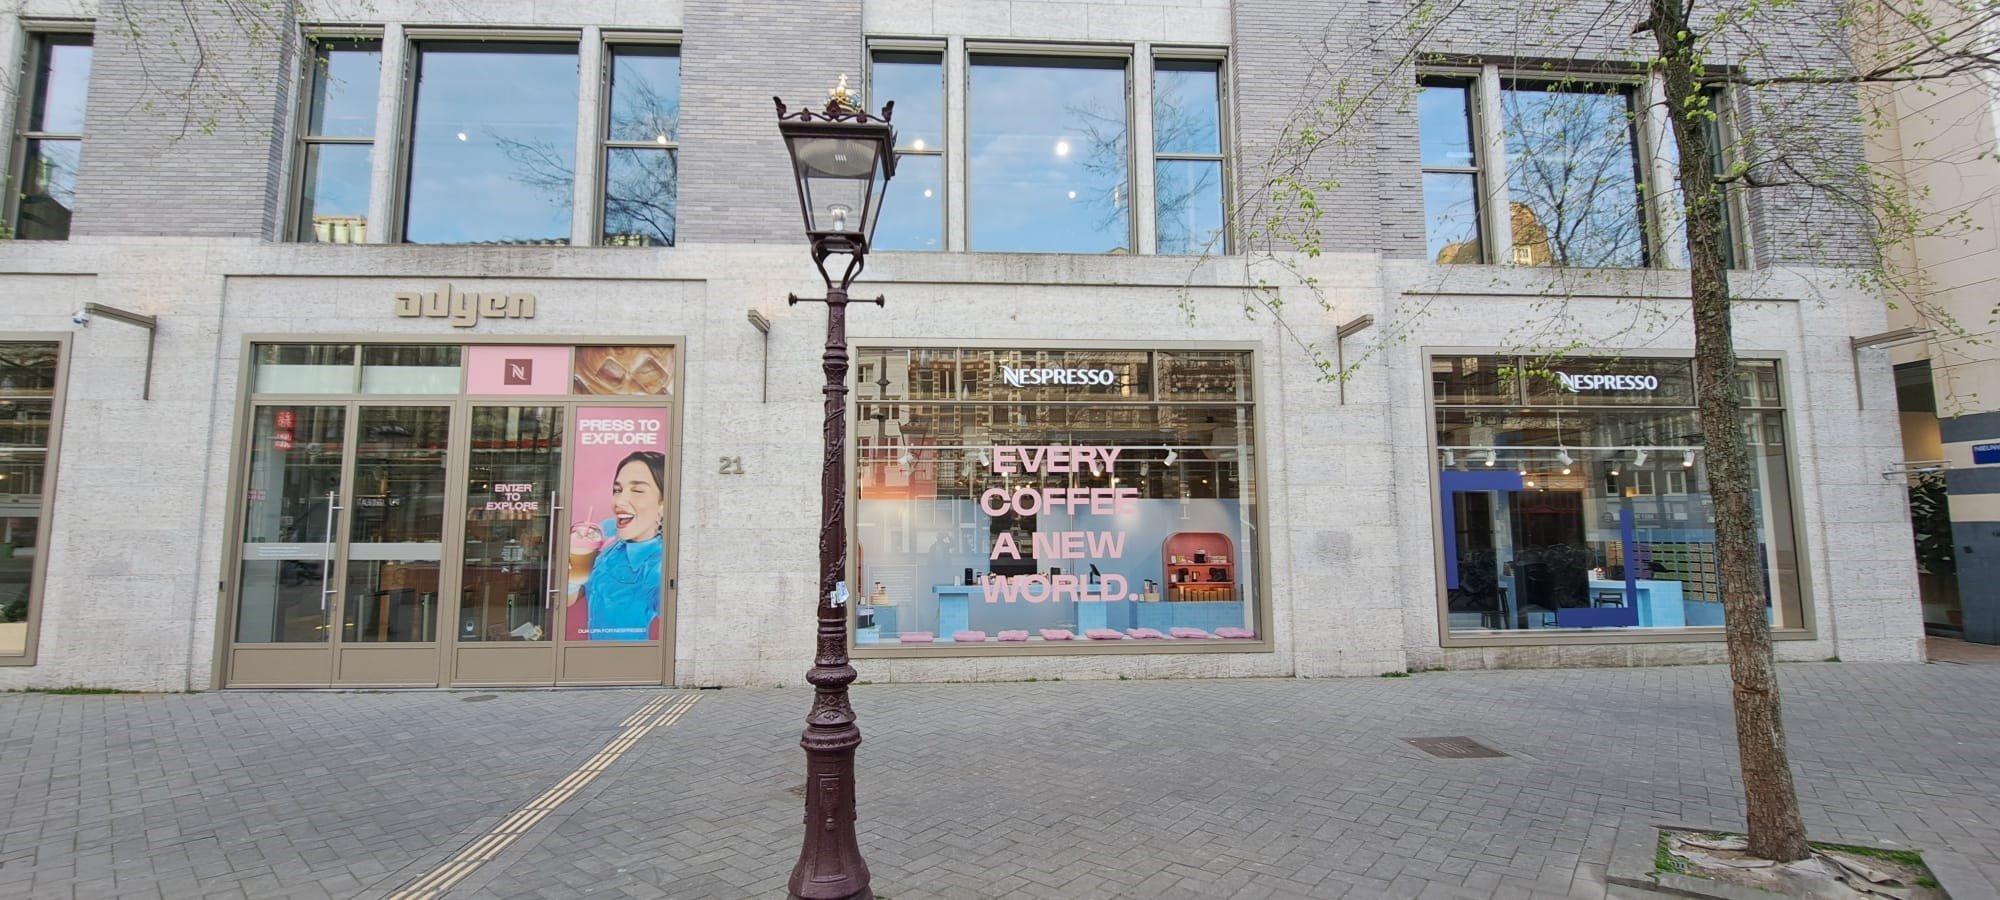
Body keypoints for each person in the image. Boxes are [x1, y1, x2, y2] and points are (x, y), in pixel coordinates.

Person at [566, 451, 666, 641]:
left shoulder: (658, 565)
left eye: (637, 490)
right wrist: (577, 562)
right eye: (617, 490)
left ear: (664, 504)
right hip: (592, 655)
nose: (619, 501)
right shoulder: (607, 530)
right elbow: (568, 599)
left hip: (629, 656)